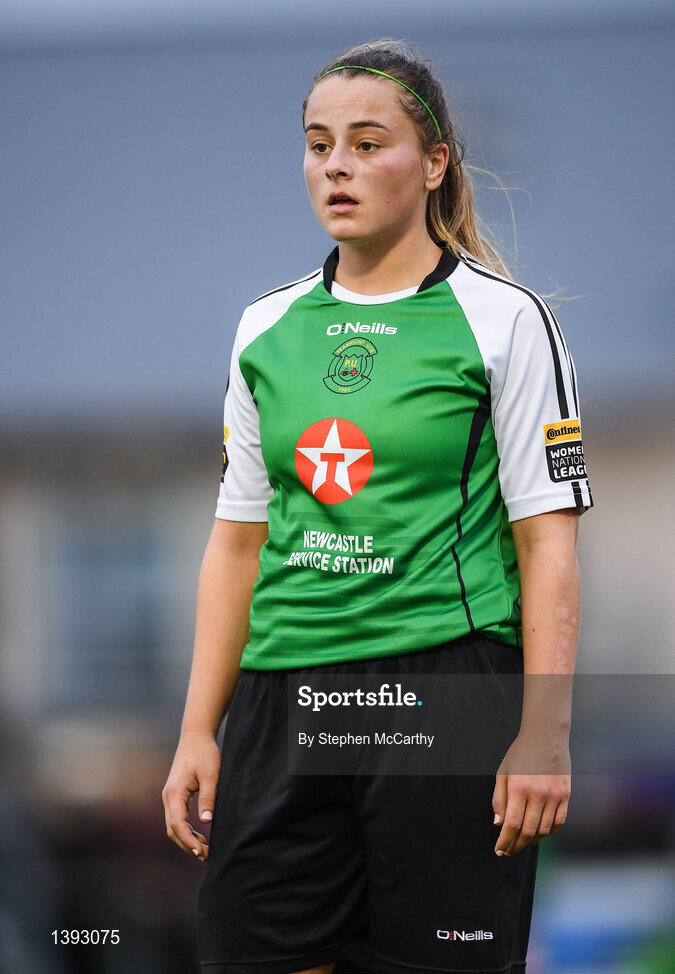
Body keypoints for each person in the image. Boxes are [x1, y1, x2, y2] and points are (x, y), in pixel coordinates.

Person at [162, 38, 593, 974]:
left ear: (434, 164)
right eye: (319, 145)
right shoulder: (264, 327)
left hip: (443, 696)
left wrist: (543, 734)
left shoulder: (505, 322)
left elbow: (546, 541)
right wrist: (199, 729)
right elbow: (236, 545)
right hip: (285, 703)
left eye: (367, 143)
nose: (336, 168)